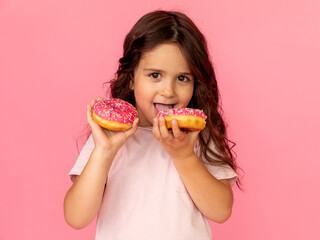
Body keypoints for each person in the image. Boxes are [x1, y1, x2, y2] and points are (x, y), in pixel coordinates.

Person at [64, 10, 243, 240]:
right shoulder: (107, 137)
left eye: (182, 78)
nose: (168, 91)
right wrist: (104, 152)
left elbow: (221, 211)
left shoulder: (197, 135)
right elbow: (76, 218)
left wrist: (184, 156)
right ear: (131, 78)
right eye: (155, 75)